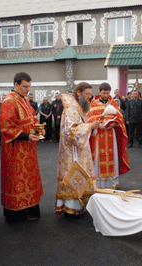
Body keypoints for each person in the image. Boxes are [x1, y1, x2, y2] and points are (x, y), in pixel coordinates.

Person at [0, 72, 44, 223]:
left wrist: (39, 128)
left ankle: (31, 209)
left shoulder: (24, 99)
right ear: (16, 84)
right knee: (17, 180)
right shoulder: (8, 101)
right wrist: (26, 136)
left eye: (29, 86)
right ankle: (16, 214)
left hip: (28, 148)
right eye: (25, 86)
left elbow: (32, 116)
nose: (27, 89)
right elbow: (6, 127)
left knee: (30, 179)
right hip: (15, 150)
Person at [55, 82, 100, 217]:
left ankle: (79, 204)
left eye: (90, 95)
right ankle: (71, 207)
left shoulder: (78, 107)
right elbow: (71, 131)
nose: (89, 98)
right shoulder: (72, 109)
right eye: (87, 95)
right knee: (73, 176)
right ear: (79, 93)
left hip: (79, 149)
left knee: (80, 176)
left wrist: (92, 126)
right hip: (73, 152)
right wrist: (90, 126)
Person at [88, 83, 130, 189]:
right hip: (98, 134)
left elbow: (119, 118)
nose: (106, 95)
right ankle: (99, 183)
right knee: (98, 158)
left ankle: (111, 183)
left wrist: (114, 123)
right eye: (104, 93)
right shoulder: (93, 104)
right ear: (99, 92)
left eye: (107, 93)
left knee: (113, 157)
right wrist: (98, 125)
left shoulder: (113, 104)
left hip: (110, 135)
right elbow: (89, 118)